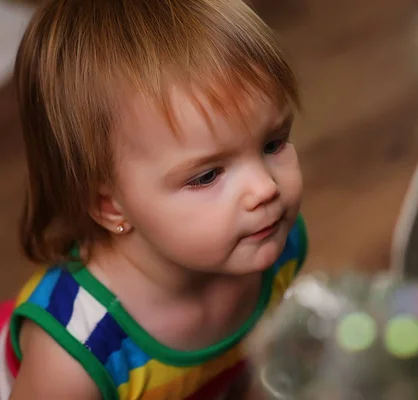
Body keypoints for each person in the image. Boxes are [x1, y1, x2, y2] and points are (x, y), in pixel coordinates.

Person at [0, 0, 308, 398]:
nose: (266, 188)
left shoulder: (275, 243)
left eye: (273, 143)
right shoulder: (77, 351)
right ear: (111, 206)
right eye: (208, 175)